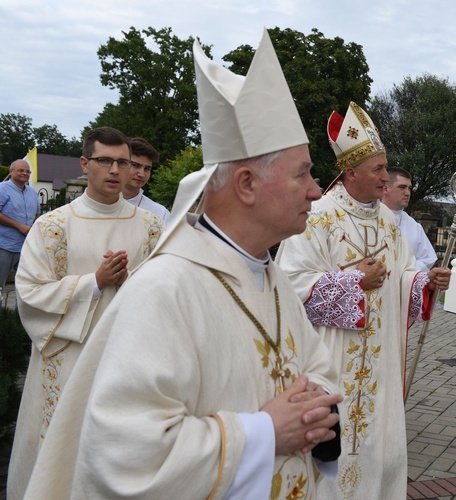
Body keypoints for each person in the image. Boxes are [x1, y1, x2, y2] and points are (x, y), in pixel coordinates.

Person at [21, 30, 342, 499]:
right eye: (302, 174)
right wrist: (264, 433)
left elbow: (319, 367)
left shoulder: (269, 276)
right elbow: (127, 456)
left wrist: (315, 407)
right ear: (247, 184)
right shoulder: (166, 288)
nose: (316, 190)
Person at [277, 101, 452, 498]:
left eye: (386, 169)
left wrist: (424, 281)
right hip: (333, 358)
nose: (386, 178)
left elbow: (404, 272)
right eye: (378, 170)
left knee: (377, 446)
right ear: (351, 172)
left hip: (381, 360)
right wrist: (355, 280)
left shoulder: (389, 221)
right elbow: (291, 286)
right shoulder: (317, 217)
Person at [7, 126, 164, 498]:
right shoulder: (52, 227)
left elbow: (170, 289)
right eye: (104, 160)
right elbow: (29, 294)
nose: (115, 170)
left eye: (123, 162)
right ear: (84, 163)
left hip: (130, 359)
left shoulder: (153, 227)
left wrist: (129, 282)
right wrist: (93, 282)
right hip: (67, 362)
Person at [0, 159, 39, 308]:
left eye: (27, 171)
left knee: (25, 285)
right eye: (21, 170)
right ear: (11, 172)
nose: (25, 173)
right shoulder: (2, 189)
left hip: (25, 247)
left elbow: (36, 217)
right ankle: (2, 321)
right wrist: (19, 226)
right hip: (4, 245)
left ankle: (19, 319)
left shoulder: (32, 193)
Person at [382, 167, 437, 271]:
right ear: (385, 189)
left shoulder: (414, 226)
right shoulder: (371, 218)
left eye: (409, 188)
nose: (407, 193)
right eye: (402, 187)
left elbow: (428, 259)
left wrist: (405, 271)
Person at [122, 137, 171, 223]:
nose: (142, 174)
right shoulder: (98, 205)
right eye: (135, 165)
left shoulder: (160, 214)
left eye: (147, 169)